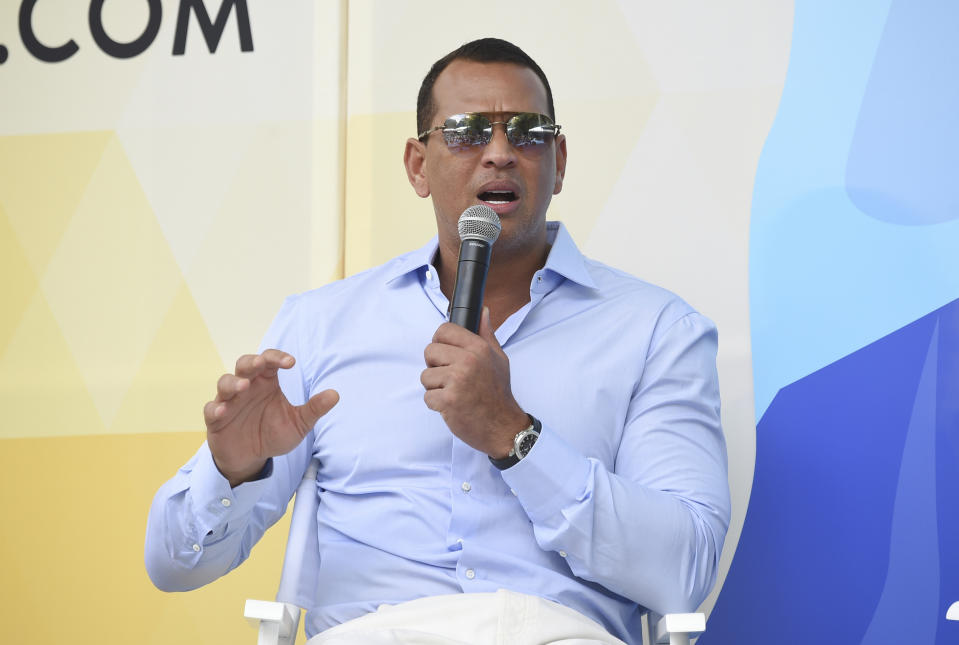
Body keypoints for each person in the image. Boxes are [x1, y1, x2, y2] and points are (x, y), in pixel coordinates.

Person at [145, 37, 730, 644]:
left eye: (527, 133)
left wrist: (514, 435)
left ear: (558, 160)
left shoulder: (657, 329)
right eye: (467, 132)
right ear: (418, 166)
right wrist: (232, 470)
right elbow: (173, 566)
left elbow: (683, 574)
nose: (500, 153)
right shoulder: (321, 326)